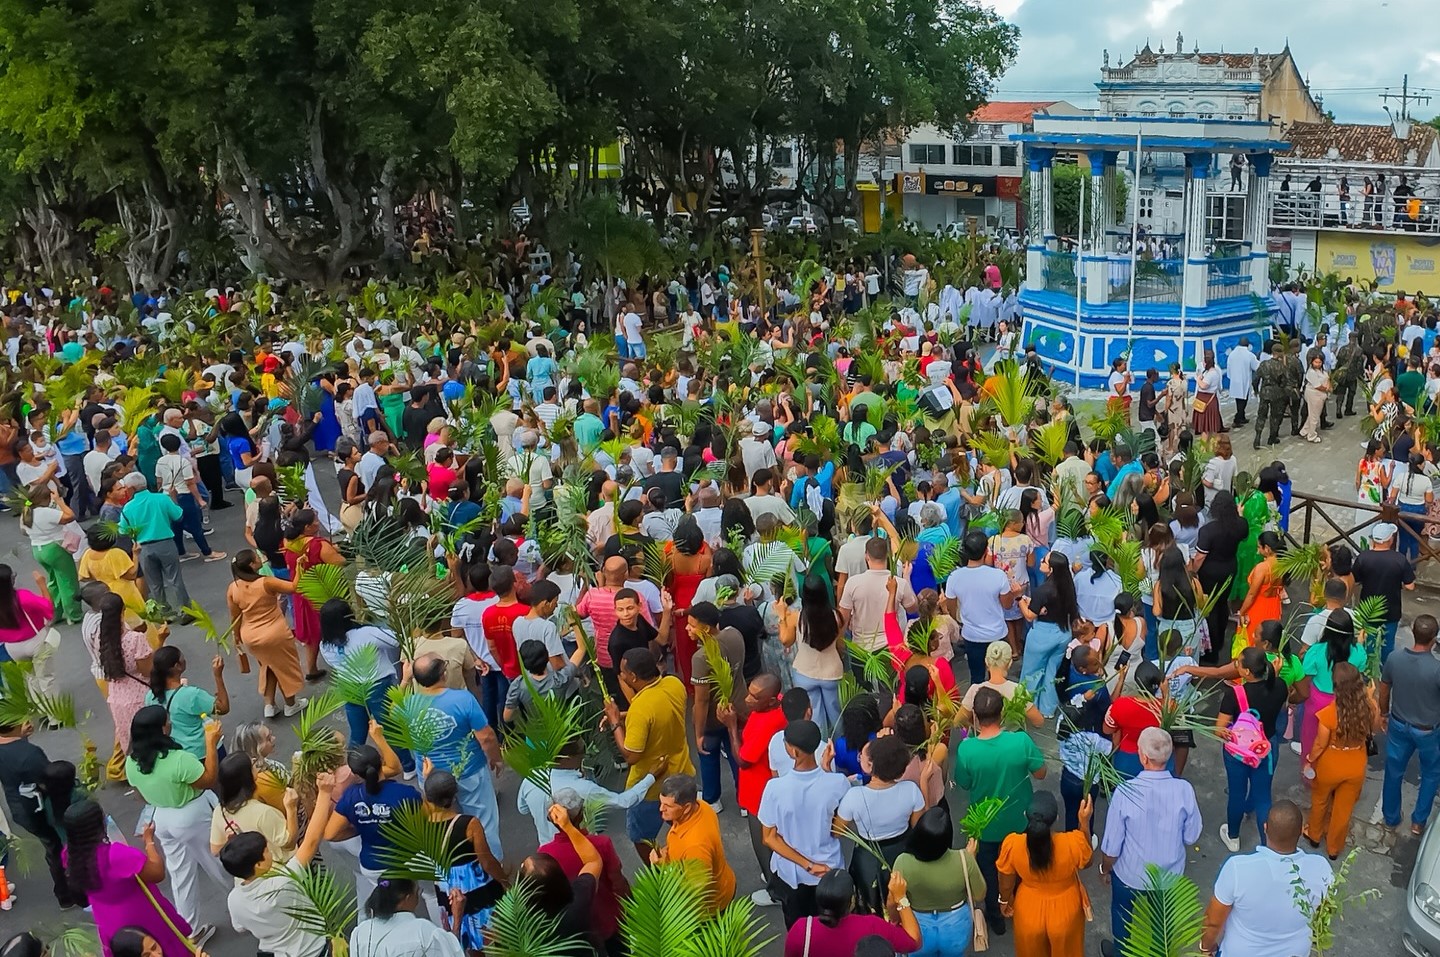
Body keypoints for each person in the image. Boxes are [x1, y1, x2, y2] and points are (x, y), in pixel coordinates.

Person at [123, 705, 230, 940]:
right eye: (167, 721)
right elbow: (209, 779)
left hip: (162, 818)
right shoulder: (179, 760)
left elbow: (140, 795)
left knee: (180, 875)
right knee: (220, 861)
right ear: (161, 730)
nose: (170, 723)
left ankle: (189, 929)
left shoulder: (131, 763)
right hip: (193, 814)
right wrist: (210, 743)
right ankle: (247, 904)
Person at [1098, 727, 1201, 957]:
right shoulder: (1184, 789)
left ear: (1143, 757)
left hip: (1129, 874)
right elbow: (1191, 836)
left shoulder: (1125, 792)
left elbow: (1112, 847)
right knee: (1161, 925)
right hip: (1168, 877)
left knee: (1122, 916)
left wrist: (1105, 869)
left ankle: (1121, 953)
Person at [953, 686, 1046, 935]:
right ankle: (1017, 905)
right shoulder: (1020, 741)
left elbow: (964, 783)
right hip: (1019, 821)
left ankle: (996, 916)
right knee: (1021, 867)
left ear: (975, 716)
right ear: (1002, 712)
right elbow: (1041, 772)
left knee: (989, 872)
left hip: (985, 826)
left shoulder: (966, 749)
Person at [61, 799, 202, 955]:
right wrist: (149, 842)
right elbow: (157, 873)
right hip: (140, 915)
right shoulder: (115, 855)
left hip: (108, 921)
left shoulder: (69, 856)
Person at [222, 770, 338, 957]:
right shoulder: (282, 883)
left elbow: (240, 927)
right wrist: (325, 793)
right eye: (266, 851)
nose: (269, 852)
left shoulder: (234, 899)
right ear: (258, 865)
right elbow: (310, 842)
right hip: (314, 951)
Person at [1200, 800, 1333, 957]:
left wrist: (1206, 947)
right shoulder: (1321, 868)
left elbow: (1213, 922)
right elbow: (1325, 912)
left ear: (1265, 828)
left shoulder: (1237, 868)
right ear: (1301, 831)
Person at [601, 647, 695, 860]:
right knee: (684, 827)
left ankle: (656, 873)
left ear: (633, 677)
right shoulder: (673, 684)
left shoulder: (641, 708)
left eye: (623, 672)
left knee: (641, 837)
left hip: (650, 789)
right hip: (682, 772)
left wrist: (615, 721)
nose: (621, 676)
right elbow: (658, 713)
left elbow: (631, 756)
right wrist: (625, 715)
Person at [758, 718, 852, 927]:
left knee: (799, 931)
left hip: (793, 874)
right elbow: (838, 829)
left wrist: (808, 865)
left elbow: (769, 838)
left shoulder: (774, 789)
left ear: (794, 751)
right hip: (830, 870)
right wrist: (826, 768)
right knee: (831, 929)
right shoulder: (838, 783)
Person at [834, 734, 925, 914]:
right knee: (903, 899)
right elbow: (917, 828)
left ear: (871, 766)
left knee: (870, 903)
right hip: (902, 852)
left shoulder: (854, 796)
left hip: (868, 856)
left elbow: (837, 831)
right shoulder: (911, 791)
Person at [996, 790, 1094, 957]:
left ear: (1026, 816)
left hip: (1028, 911)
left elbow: (1006, 883)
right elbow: (1087, 860)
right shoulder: (1072, 843)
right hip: (1066, 911)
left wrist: (1004, 900)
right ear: (1056, 819)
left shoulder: (1013, 844)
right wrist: (1084, 823)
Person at [418, 768, 508, 949]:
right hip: (476, 885)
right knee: (493, 934)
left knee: (469, 940)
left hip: (447, 888)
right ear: (455, 795)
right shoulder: (469, 824)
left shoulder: (423, 824)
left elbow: (427, 803)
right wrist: (506, 882)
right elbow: (487, 862)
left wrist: (428, 779)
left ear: (429, 798)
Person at [1304, 662, 1381, 859]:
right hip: (1356, 764)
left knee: (1320, 799)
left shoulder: (1329, 713)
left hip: (1330, 763)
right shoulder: (1370, 707)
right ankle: (1334, 848)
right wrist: (1371, 698)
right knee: (1343, 810)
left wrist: (1310, 759)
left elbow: (1320, 744)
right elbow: (1375, 729)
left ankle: (1314, 834)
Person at [1216, 647, 1289, 852]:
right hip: (1266, 748)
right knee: (1263, 797)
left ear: (1247, 672)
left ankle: (1233, 837)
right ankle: (1268, 846)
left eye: (1238, 663)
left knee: (1237, 793)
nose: (1236, 665)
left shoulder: (1234, 694)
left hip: (1238, 753)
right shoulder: (1280, 686)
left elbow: (1219, 729)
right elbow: (1278, 704)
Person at [324, 736, 414, 904]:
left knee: (387, 904)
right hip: (405, 860)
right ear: (380, 760)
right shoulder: (405, 793)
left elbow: (330, 834)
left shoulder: (351, 797)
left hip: (373, 866)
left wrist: (360, 826)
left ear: (355, 773)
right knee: (428, 895)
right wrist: (379, 737)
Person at [0, 718, 79, 909]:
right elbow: (50, 777)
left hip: (19, 809)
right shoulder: (30, 754)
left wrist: (20, 737)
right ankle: (68, 892)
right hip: (41, 809)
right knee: (60, 847)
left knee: (51, 846)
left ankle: (64, 896)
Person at [891, 807, 986, 957]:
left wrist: (894, 920)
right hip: (955, 925)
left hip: (918, 924)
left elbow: (892, 900)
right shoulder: (964, 859)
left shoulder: (902, 862)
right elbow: (979, 894)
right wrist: (971, 859)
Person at [225, 550, 306, 718]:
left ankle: (269, 705)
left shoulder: (233, 588)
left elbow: (235, 616)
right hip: (274, 632)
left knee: (267, 666)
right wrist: (299, 566)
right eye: (257, 559)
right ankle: (291, 704)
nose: (260, 559)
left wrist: (236, 637)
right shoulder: (266, 582)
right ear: (251, 565)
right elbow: (293, 587)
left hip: (251, 636)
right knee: (283, 666)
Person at [1381, 614, 1440, 834]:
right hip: (1428, 731)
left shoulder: (1394, 659)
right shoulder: (1436, 669)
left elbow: (1384, 689)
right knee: (1431, 774)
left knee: (1393, 771)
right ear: (1434, 639)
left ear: (1413, 632)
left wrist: (1383, 713)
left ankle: (1390, 817)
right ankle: (1418, 822)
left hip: (1398, 724)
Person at [780, 870, 922, 957]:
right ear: (852, 901)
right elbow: (914, 941)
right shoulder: (872, 926)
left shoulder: (802, 930)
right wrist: (900, 898)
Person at [945, 530, 1022, 685]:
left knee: (976, 678)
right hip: (997, 633)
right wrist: (1016, 594)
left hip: (972, 635)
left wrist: (960, 620)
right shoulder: (998, 575)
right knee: (999, 678)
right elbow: (1007, 605)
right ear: (986, 551)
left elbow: (951, 607)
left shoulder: (954, 577)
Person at [650, 773, 736, 911]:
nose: (661, 809)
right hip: (724, 882)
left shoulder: (695, 847)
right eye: (661, 802)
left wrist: (664, 866)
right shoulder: (702, 806)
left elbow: (697, 888)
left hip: (708, 909)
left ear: (687, 808)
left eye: (668, 806)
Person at [1017, 550, 1078, 717]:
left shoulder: (1043, 590)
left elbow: (1029, 615)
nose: (1041, 560)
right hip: (1063, 633)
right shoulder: (1067, 586)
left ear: (1051, 569)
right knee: (1051, 672)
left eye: (1044, 561)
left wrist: (1019, 598)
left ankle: (1026, 708)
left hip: (1042, 635)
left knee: (1031, 672)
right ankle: (1047, 709)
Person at [780, 574, 844, 731]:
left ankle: (819, 743)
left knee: (814, 715)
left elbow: (786, 640)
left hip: (805, 672)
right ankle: (839, 742)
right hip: (832, 672)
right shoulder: (836, 616)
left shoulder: (797, 617)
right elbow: (840, 645)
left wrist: (782, 616)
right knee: (836, 715)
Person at [144, 648, 230, 761]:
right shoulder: (192, 695)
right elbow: (223, 707)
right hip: (204, 752)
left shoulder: (150, 696)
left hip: (178, 755)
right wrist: (218, 676)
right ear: (177, 666)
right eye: (182, 658)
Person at [349, 878, 465, 957]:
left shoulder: (360, 932)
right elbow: (452, 953)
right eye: (417, 891)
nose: (418, 895)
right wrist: (457, 918)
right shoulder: (422, 930)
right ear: (407, 898)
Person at [1351, 521, 1415, 663]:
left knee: (1368, 643)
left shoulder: (1363, 558)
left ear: (1374, 540)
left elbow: (1354, 580)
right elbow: (1410, 586)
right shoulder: (1399, 559)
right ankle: (1385, 670)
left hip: (1368, 610)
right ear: (1390, 539)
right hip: (1391, 611)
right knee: (1387, 645)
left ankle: (1367, 669)